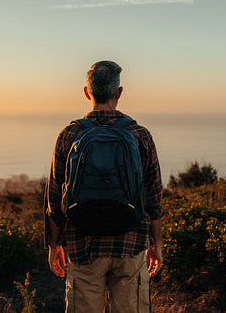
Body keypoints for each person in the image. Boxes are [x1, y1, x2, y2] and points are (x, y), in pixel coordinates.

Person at [45, 60, 164, 313]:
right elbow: (154, 197)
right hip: (130, 243)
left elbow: (55, 197)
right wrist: (157, 245)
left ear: (87, 92)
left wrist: (54, 245)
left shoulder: (69, 135)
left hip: (82, 244)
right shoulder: (139, 134)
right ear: (118, 93)